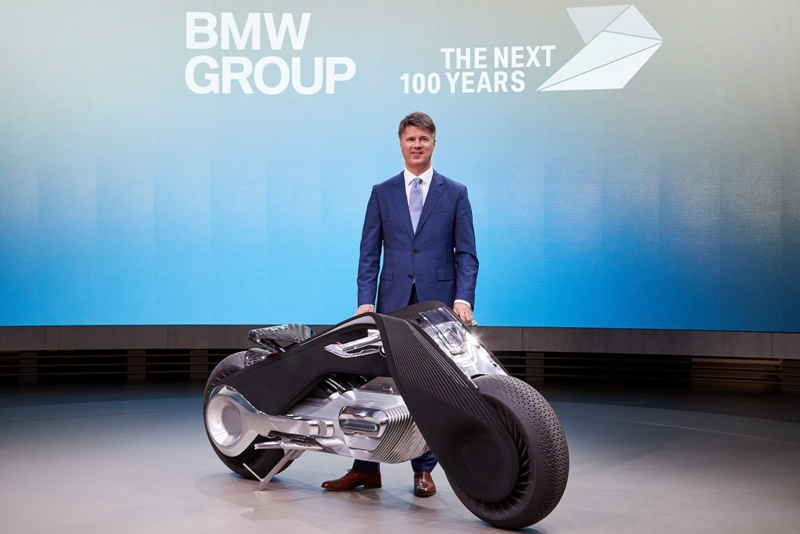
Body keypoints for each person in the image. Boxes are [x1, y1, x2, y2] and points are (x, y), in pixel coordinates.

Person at [321, 111, 479, 497]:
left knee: (430, 388)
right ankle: (365, 468)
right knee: (375, 384)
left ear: (434, 143)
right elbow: (368, 253)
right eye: (410, 138)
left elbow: (466, 254)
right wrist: (365, 302)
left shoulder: (455, 192)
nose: (417, 145)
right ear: (401, 144)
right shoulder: (382, 192)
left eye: (423, 138)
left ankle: (424, 470)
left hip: (435, 306)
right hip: (390, 304)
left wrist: (462, 298)